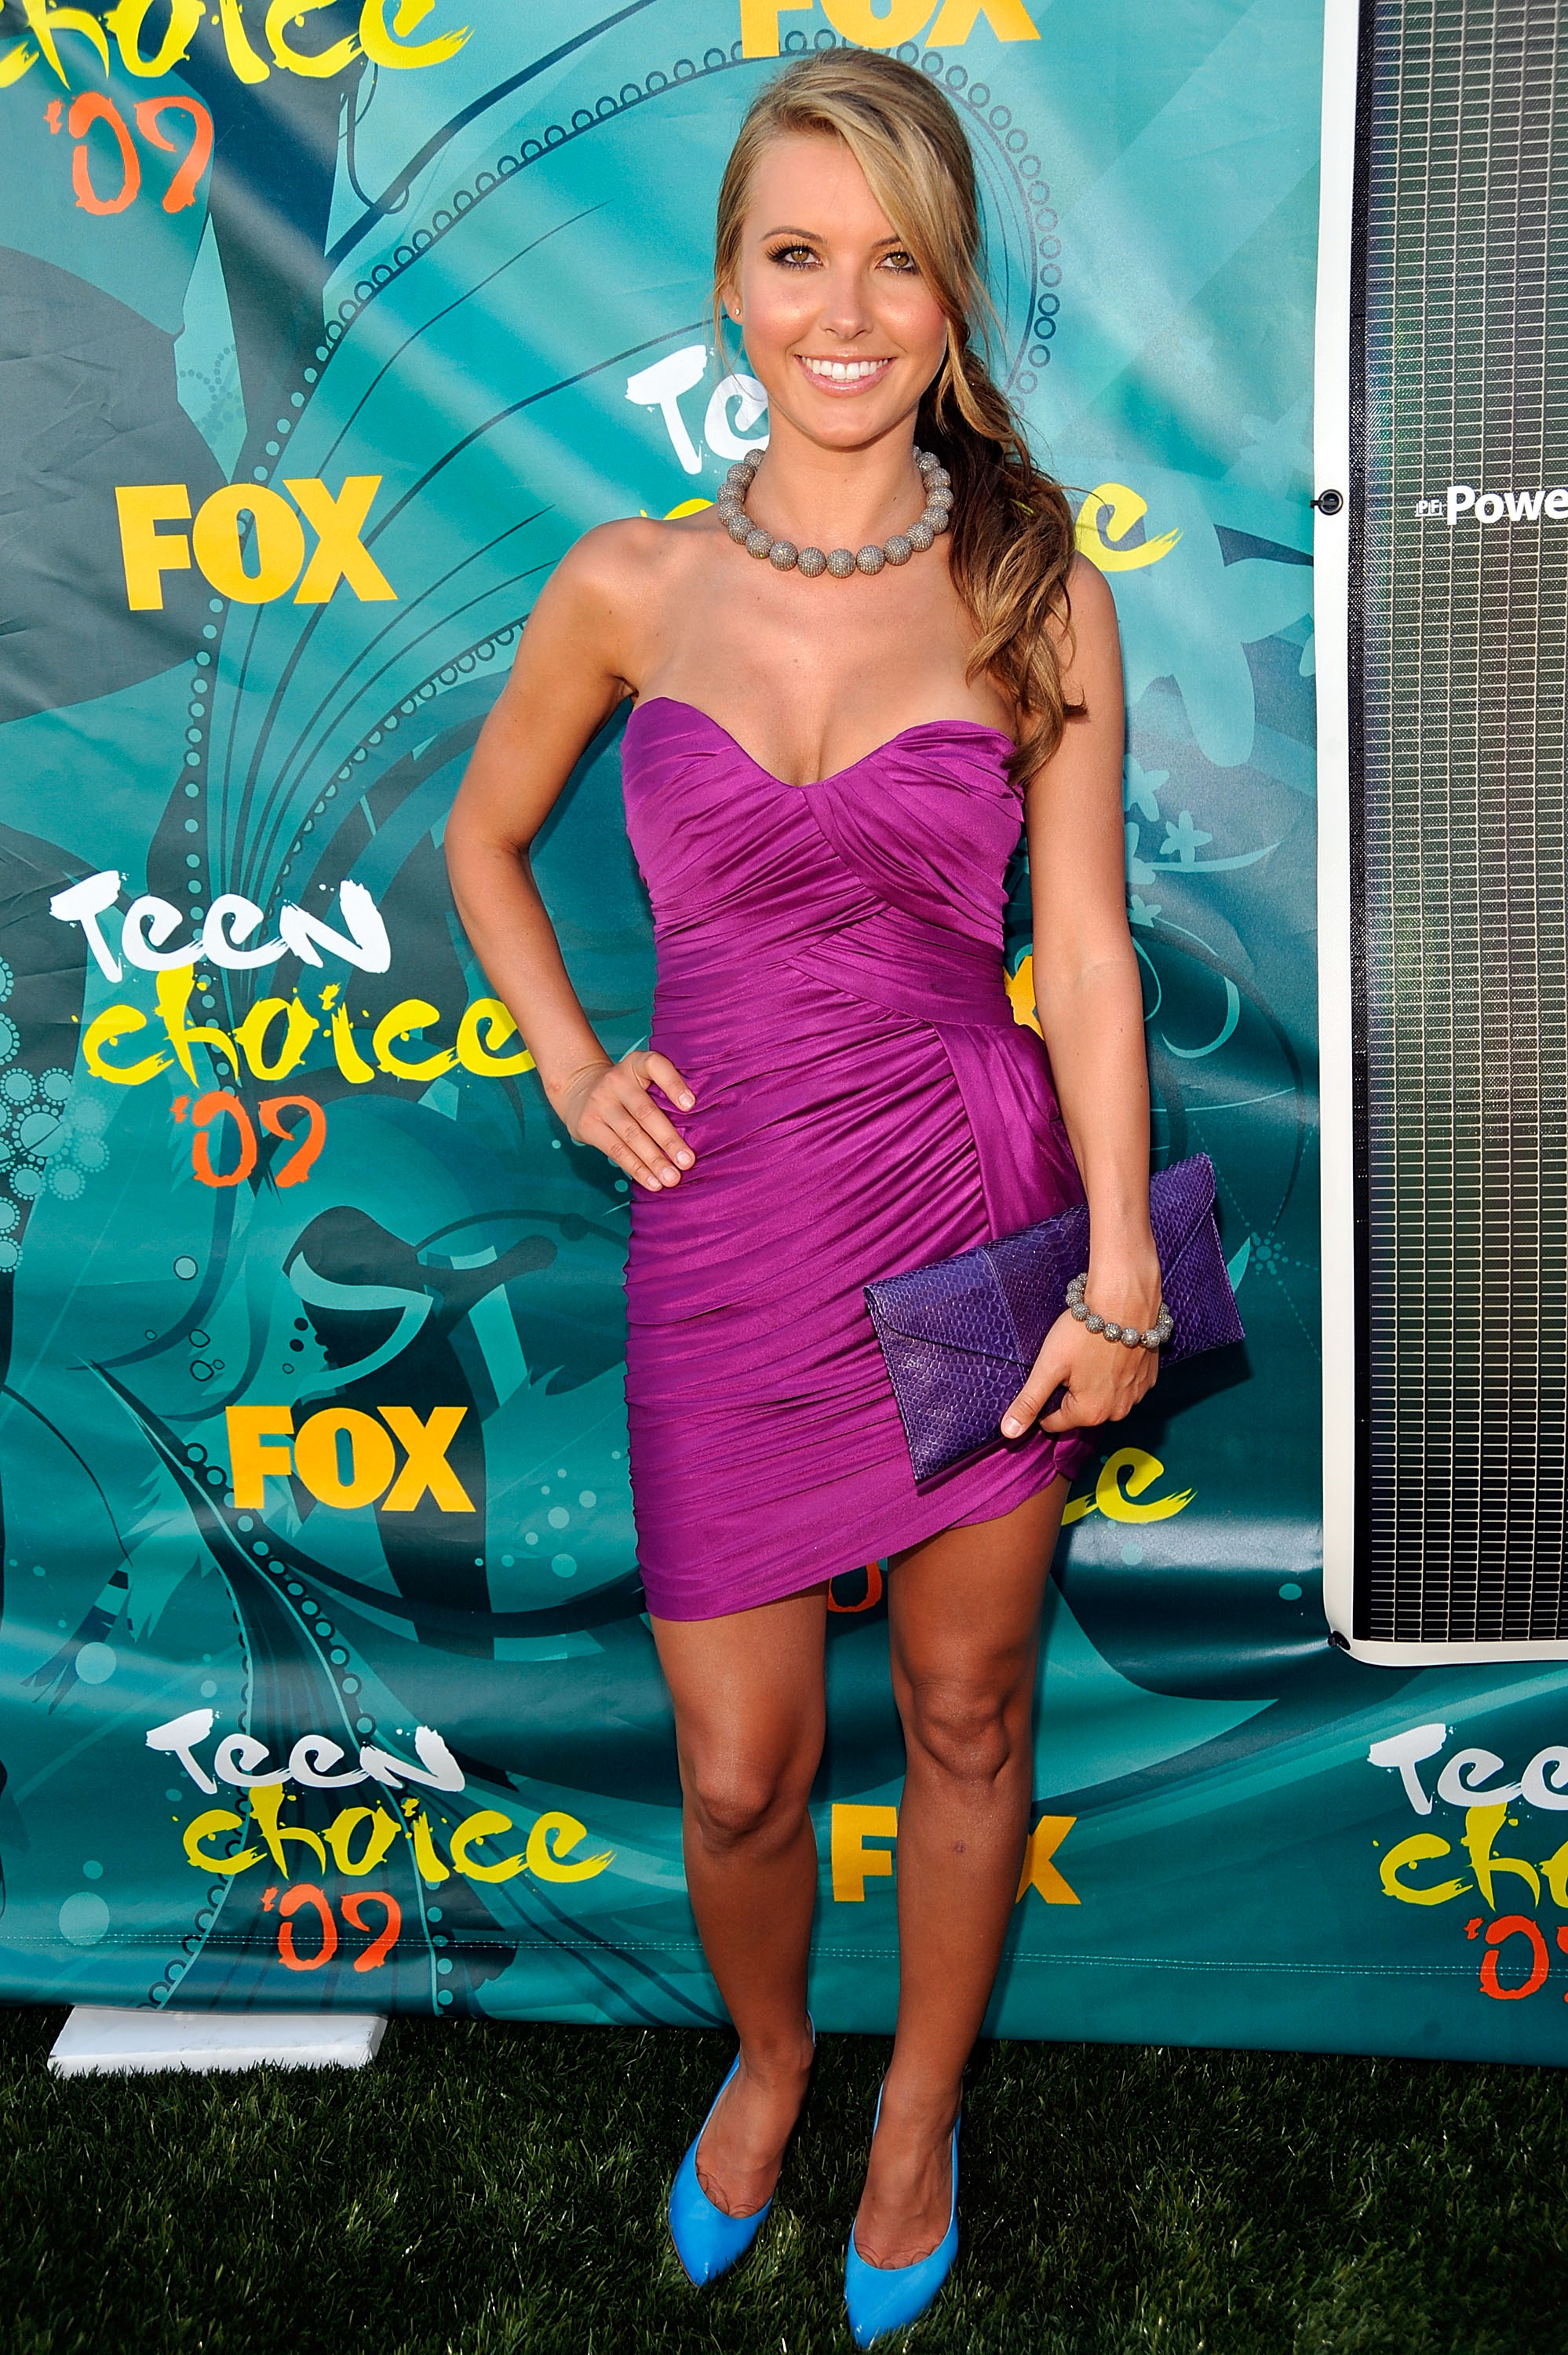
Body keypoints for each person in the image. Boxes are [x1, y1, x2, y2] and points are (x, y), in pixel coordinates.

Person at [445, 47, 1160, 2346]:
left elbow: (1086, 955)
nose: (846, 313)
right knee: (742, 1773)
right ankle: (767, 2061)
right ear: (730, 290)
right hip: (729, 1224)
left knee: (967, 1715)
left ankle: (915, 2114)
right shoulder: (629, 582)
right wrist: (576, 1061)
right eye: (796, 257)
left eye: (895, 264)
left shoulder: (1036, 585)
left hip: (975, 1212)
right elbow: (482, 837)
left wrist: (1122, 1268)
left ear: (951, 301)